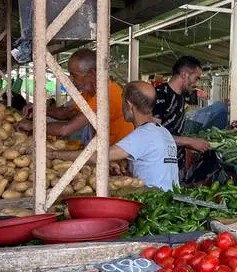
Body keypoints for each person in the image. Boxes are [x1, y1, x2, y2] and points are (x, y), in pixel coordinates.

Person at [50, 81, 179, 191]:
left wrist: (54, 154)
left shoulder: (143, 135)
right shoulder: (162, 132)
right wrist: (121, 164)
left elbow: (97, 157)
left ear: (129, 106)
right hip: (168, 202)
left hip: (153, 206)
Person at [17, 48, 134, 145]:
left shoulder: (107, 94)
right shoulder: (90, 93)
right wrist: (41, 109)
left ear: (92, 73)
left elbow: (66, 129)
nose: (72, 80)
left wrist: (33, 126)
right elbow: (68, 113)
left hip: (121, 156)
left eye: (75, 75)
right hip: (106, 151)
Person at [153, 56, 211, 179]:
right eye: (196, 78)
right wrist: (190, 141)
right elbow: (154, 135)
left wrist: (191, 145)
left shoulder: (182, 96)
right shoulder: (160, 94)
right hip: (159, 164)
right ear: (184, 75)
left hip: (176, 162)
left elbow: (172, 131)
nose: (196, 84)